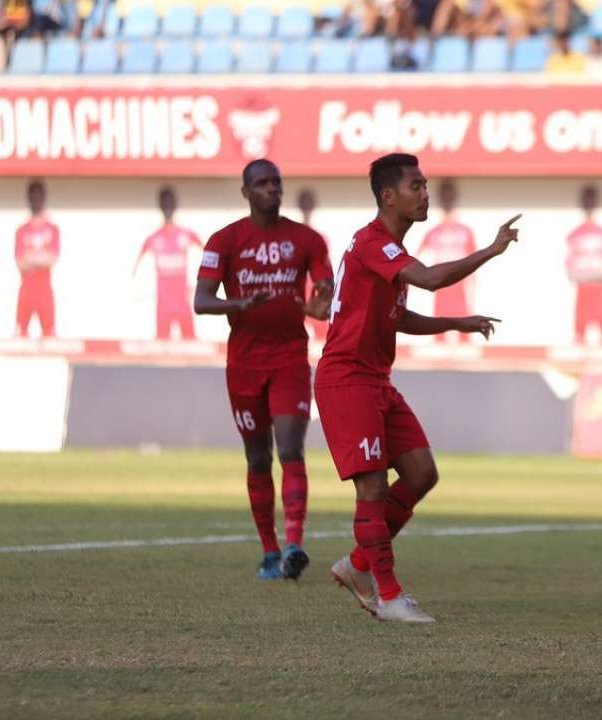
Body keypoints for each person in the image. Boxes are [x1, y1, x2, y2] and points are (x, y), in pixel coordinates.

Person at [317, 153, 521, 623]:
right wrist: (491, 250)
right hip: (346, 378)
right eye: (416, 186)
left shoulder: (391, 251)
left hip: (375, 379)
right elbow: (429, 279)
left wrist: (456, 322)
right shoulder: (373, 243)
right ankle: (388, 596)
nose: (425, 193)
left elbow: (397, 317)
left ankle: (358, 564)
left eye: (425, 185)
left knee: (421, 473)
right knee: (372, 486)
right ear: (389, 196)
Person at [194, 160, 334, 581]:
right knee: (258, 458)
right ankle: (270, 552)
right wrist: (239, 303)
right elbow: (201, 300)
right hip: (243, 364)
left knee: (290, 449)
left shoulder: (307, 239)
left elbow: (325, 288)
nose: (272, 189)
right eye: (262, 184)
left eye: (276, 182)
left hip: (289, 358)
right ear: (246, 192)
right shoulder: (224, 240)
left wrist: (321, 300)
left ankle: (293, 545)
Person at [134, 185, 202, 341]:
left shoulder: (188, 236)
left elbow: (209, 258)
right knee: (161, 346)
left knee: (191, 344)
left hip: (184, 303)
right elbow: (136, 271)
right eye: (165, 204)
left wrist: (199, 285)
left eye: (170, 204)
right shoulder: (153, 239)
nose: (168, 208)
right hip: (163, 305)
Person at [416, 179, 478, 342]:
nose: (447, 200)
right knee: (440, 316)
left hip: (459, 278)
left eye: (450, 195)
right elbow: (418, 256)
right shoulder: (434, 231)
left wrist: (472, 281)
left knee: (461, 313)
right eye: (444, 195)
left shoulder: (465, 231)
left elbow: (475, 257)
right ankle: (440, 339)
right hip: (439, 279)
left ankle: (464, 340)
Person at [566, 184, 602, 345]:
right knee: (580, 330)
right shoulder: (574, 234)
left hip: (599, 287)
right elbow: (570, 267)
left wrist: (594, 275)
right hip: (583, 288)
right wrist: (589, 275)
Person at [15, 179, 59, 338]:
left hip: (44, 287)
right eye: (33, 196)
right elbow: (20, 262)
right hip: (27, 287)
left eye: (39, 195)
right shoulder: (21, 230)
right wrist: (40, 256)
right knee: (20, 334)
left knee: (50, 334)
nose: (36, 199)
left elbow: (52, 258)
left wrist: (31, 256)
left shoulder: (52, 229)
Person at [297, 187, 331, 342]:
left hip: (315, 291)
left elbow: (326, 268)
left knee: (321, 338)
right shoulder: (293, 237)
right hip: (297, 291)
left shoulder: (320, 238)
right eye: (304, 204)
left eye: (309, 204)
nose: (307, 208)